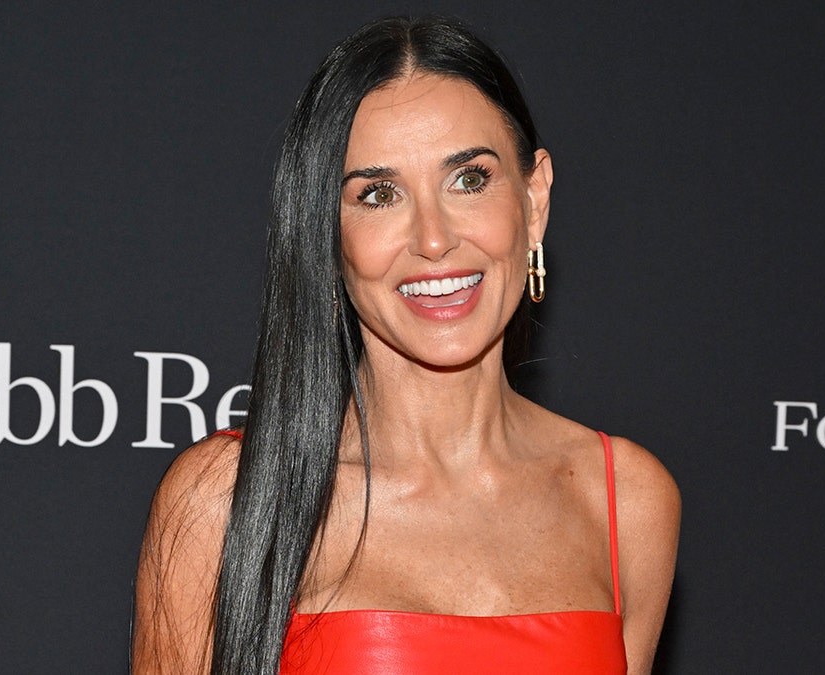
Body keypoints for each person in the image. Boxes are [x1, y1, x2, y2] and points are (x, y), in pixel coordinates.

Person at [133, 15, 679, 675]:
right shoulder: (224, 501)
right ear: (327, 237)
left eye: (469, 179)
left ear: (533, 201)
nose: (432, 238)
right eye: (380, 194)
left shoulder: (627, 500)